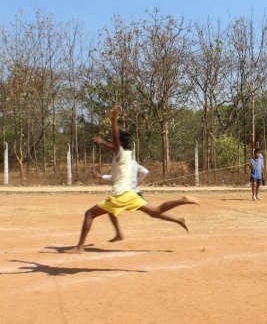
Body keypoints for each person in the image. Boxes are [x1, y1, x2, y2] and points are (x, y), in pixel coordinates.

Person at [71, 103, 199, 253]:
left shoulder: (121, 153)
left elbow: (115, 143)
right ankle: (183, 201)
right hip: (130, 193)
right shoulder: (125, 155)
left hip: (121, 194)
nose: (113, 143)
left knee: (89, 214)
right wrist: (104, 143)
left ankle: (80, 247)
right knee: (155, 211)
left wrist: (113, 121)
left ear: (119, 143)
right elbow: (113, 147)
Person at [96, 160, 150, 242]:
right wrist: (138, 180)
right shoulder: (132, 162)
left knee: (154, 212)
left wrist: (102, 177)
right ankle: (118, 234)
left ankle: (176, 219)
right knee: (110, 210)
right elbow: (145, 172)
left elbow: (115, 177)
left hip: (130, 195)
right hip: (133, 194)